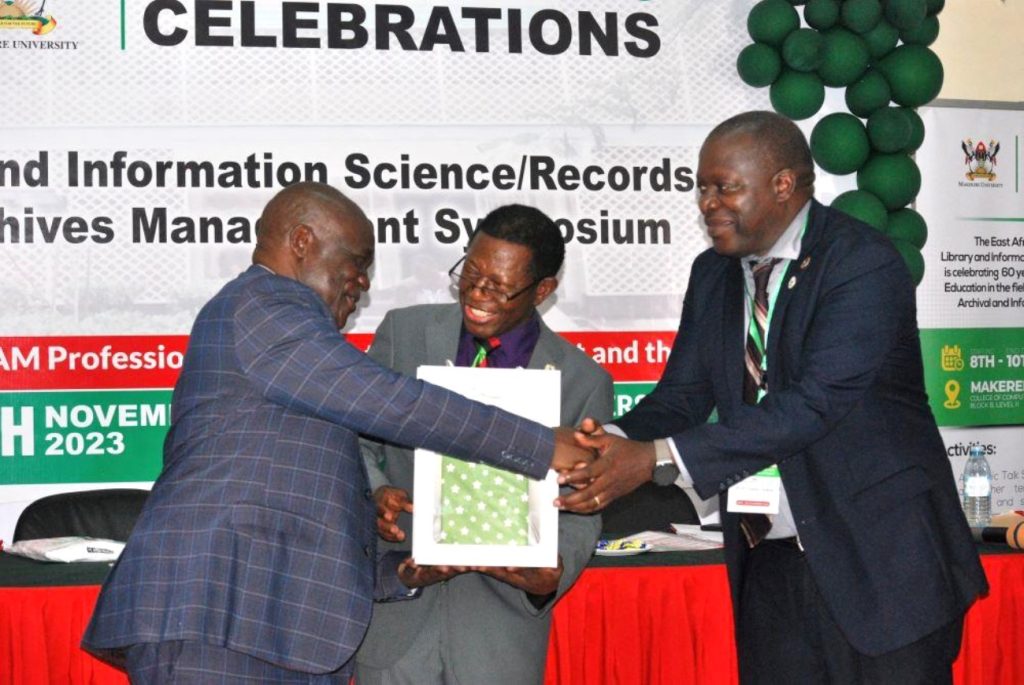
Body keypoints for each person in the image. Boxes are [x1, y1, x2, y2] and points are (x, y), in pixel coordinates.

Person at [80, 183, 590, 683]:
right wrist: (540, 445)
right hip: (218, 619)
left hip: (279, 630)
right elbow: (393, 404)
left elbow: (307, 499)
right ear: (302, 242)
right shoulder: (264, 306)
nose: (363, 284)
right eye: (356, 263)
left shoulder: (300, 351)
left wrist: (398, 574)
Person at [557, 111, 987, 683]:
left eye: (724, 187)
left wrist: (658, 457)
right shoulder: (712, 274)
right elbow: (682, 396)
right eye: (702, 189)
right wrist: (605, 442)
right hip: (770, 562)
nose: (708, 204)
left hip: (881, 564)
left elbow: (815, 403)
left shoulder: (862, 262)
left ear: (783, 184)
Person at [355, 204, 612, 685]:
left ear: (542, 291)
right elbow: (360, 442)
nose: (476, 293)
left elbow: (583, 506)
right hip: (398, 620)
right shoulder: (404, 334)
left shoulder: (581, 380)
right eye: (469, 273)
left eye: (499, 286)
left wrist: (554, 571)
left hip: (499, 632)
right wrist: (375, 491)